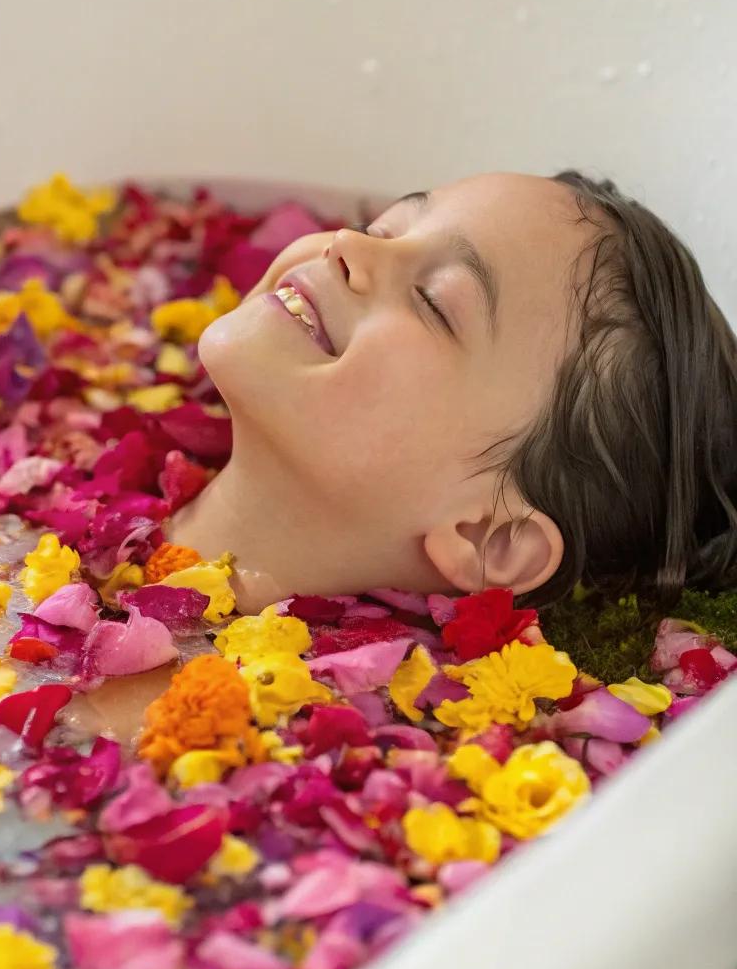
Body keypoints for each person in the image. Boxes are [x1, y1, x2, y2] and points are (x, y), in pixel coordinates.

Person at [73, 168, 737, 738]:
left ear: (490, 537)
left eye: (434, 300)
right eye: (389, 228)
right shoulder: (74, 449)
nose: (347, 245)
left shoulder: (192, 733)